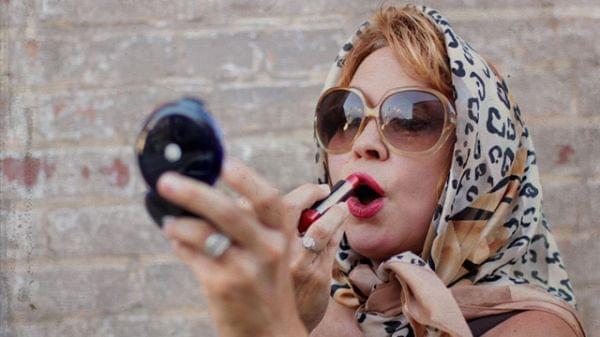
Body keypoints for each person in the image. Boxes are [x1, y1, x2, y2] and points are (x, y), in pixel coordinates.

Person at [155, 3, 587, 337]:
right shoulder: (317, 304)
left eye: (412, 120)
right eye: (343, 117)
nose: (362, 143)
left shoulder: (535, 326)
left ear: (477, 165)